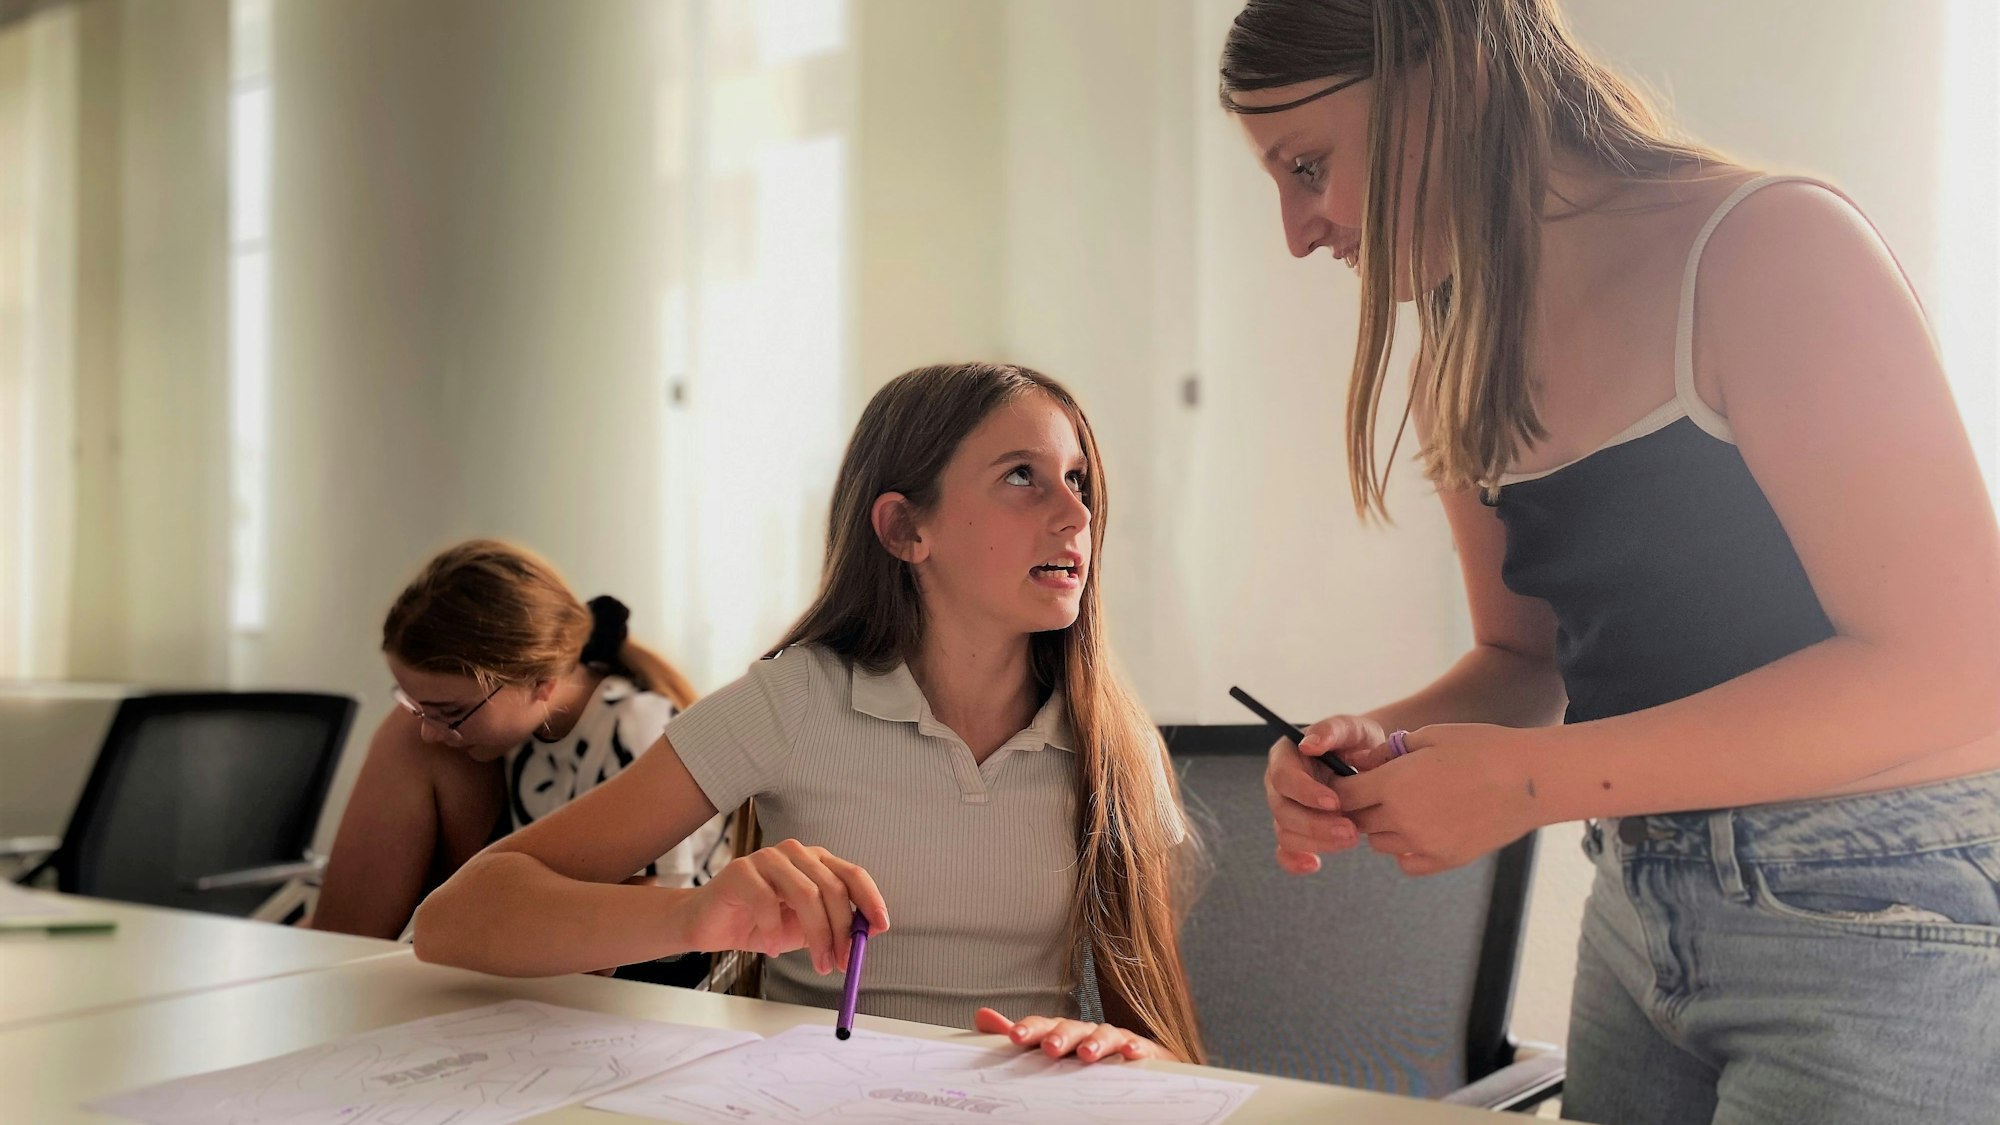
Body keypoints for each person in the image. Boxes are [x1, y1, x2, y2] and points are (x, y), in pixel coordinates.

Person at [1220, 1, 2000, 1122]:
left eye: (1307, 167)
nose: (1298, 233)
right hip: (1636, 914)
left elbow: (1957, 666)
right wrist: (1373, 748)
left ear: (1452, 80)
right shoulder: (1460, 336)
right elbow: (1523, 659)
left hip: (1882, 917)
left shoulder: (1770, 247)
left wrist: (1523, 784)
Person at [411, 363, 1205, 1065]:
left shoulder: (1113, 742)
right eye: (1022, 476)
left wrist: (1129, 1052)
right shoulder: (791, 701)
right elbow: (455, 918)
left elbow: (1163, 1041)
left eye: (1079, 480)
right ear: (905, 528)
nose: (1076, 514)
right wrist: (693, 914)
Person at [313, 540, 728, 989]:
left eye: (451, 713)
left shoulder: (632, 729)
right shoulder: (524, 727)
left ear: (541, 685)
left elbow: (651, 914)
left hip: (651, 970)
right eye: (418, 706)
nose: (430, 731)